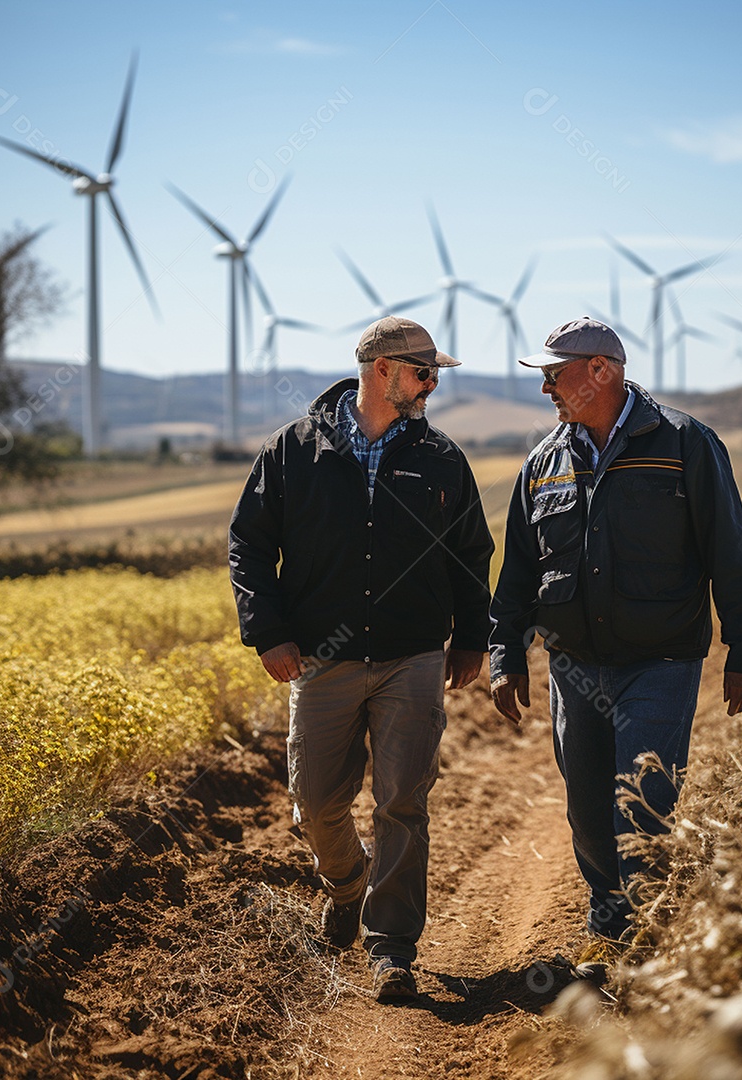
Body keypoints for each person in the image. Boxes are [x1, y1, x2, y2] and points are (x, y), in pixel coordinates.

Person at [489, 316, 742, 972]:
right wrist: (504, 653)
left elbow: (730, 550)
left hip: (661, 662)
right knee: (588, 810)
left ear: (601, 371)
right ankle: (613, 914)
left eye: (554, 375)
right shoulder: (544, 463)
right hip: (575, 668)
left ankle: (630, 943)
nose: (546, 390)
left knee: (641, 803)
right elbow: (519, 573)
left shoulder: (684, 445)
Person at [229, 316, 493, 1003]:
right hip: (322, 656)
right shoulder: (294, 450)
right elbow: (250, 545)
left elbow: (470, 553)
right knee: (315, 801)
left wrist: (471, 637)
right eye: (423, 372)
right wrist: (268, 630)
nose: (432, 385)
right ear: (383, 370)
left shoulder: (440, 457)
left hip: (412, 656)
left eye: (435, 375)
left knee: (403, 801)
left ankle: (392, 950)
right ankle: (348, 883)